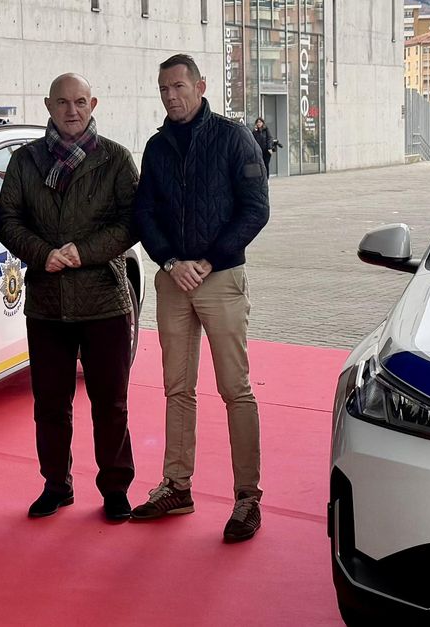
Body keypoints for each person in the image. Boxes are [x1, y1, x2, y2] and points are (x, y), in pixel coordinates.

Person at [132, 54, 270, 543]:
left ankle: (247, 498)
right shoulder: (156, 147)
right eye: (163, 88)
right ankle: (176, 486)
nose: (170, 96)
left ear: (200, 86)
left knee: (236, 389)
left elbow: (255, 210)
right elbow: (144, 213)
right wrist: (170, 261)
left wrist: (209, 260)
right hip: (173, 280)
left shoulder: (235, 139)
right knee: (177, 388)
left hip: (220, 278)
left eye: (178, 86)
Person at [0, 73, 139, 522]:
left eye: (80, 102)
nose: (71, 110)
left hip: (104, 301)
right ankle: (56, 485)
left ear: (93, 103)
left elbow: (132, 222)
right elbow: (8, 219)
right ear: (47, 105)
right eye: (62, 102)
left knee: (111, 404)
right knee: (50, 405)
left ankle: (115, 488)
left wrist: (84, 252)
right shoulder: (25, 161)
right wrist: (43, 254)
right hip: (47, 302)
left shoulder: (115, 159)